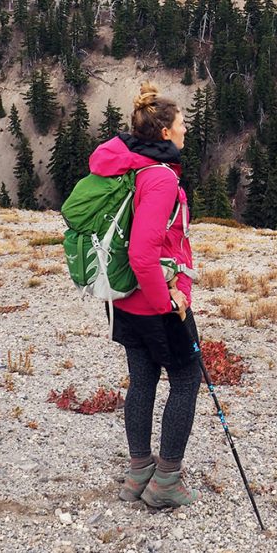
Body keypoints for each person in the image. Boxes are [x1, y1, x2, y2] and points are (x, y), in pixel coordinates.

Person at [87, 83, 198, 508]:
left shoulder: (131, 166)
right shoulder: (161, 178)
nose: (187, 129)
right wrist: (168, 300)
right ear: (166, 132)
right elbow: (142, 252)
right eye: (182, 123)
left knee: (144, 378)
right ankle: (166, 480)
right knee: (186, 379)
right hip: (154, 300)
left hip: (121, 299)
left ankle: (138, 474)